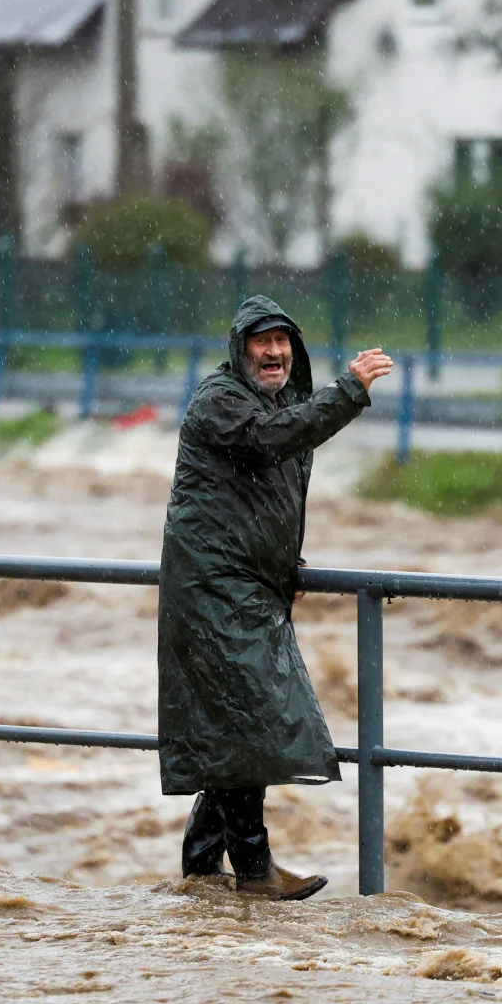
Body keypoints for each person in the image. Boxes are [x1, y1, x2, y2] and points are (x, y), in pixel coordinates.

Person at [158, 295, 394, 900]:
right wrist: (349, 390)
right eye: (261, 343)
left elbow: (259, 491)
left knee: (242, 726)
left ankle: (202, 863)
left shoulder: (276, 399)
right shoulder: (222, 401)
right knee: (253, 724)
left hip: (246, 585)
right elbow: (271, 441)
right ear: (240, 351)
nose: (274, 352)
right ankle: (256, 871)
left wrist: (282, 558)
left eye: (282, 341)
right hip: (215, 589)